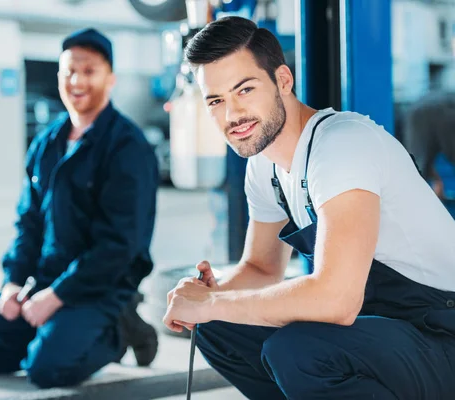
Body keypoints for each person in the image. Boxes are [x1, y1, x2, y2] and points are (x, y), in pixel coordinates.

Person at [164, 16, 455, 400]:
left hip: (439, 332)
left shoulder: (342, 144)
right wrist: (203, 299)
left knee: (300, 351)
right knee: (218, 327)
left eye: (245, 89)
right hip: (379, 329)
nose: (232, 114)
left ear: (283, 80)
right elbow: (261, 268)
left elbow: (336, 300)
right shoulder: (264, 165)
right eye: (216, 101)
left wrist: (215, 303)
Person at [0, 28, 160, 388]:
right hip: (47, 279)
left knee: (47, 371)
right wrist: (13, 282)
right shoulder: (46, 144)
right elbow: (28, 223)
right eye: (68, 71)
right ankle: (60, 335)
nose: (76, 80)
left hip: (103, 285)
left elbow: (120, 245)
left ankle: (120, 331)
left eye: (88, 71)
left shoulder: (127, 147)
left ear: (110, 79)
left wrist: (58, 297)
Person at [401, 90, 455, 201]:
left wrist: (436, 180)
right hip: (439, 108)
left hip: (421, 108)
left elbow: (416, 158)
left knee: (416, 165)